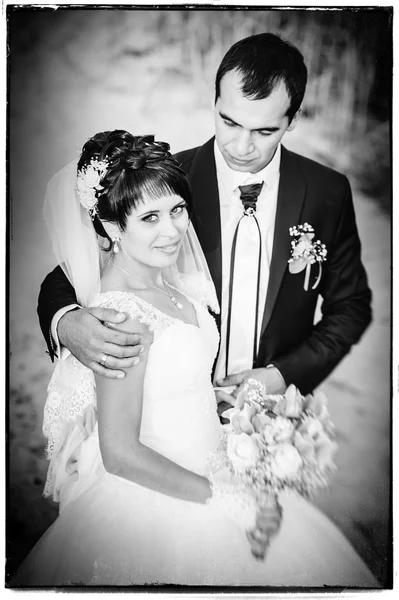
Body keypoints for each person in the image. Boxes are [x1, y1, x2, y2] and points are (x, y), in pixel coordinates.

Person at [13, 131, 377, 587]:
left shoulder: (176, 288)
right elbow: (121, 453)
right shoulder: (120, 318)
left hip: (212, 459)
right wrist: (228, 500)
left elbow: (350, 307)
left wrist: (230, 406)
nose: (172, 230)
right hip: (162, 498)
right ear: (109, 227)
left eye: (177, 210)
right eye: (149, 218)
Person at [37, 33, 372, 414]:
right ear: (214, 102)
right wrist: (66, 322)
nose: (242, 146)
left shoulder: (327, 192)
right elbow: (66, 275)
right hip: (178, 415)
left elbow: (351, 306)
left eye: (264, 131)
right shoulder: (166, 183)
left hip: (273, 420)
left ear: (292, 120)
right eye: (229, 122)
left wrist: (283, 374)